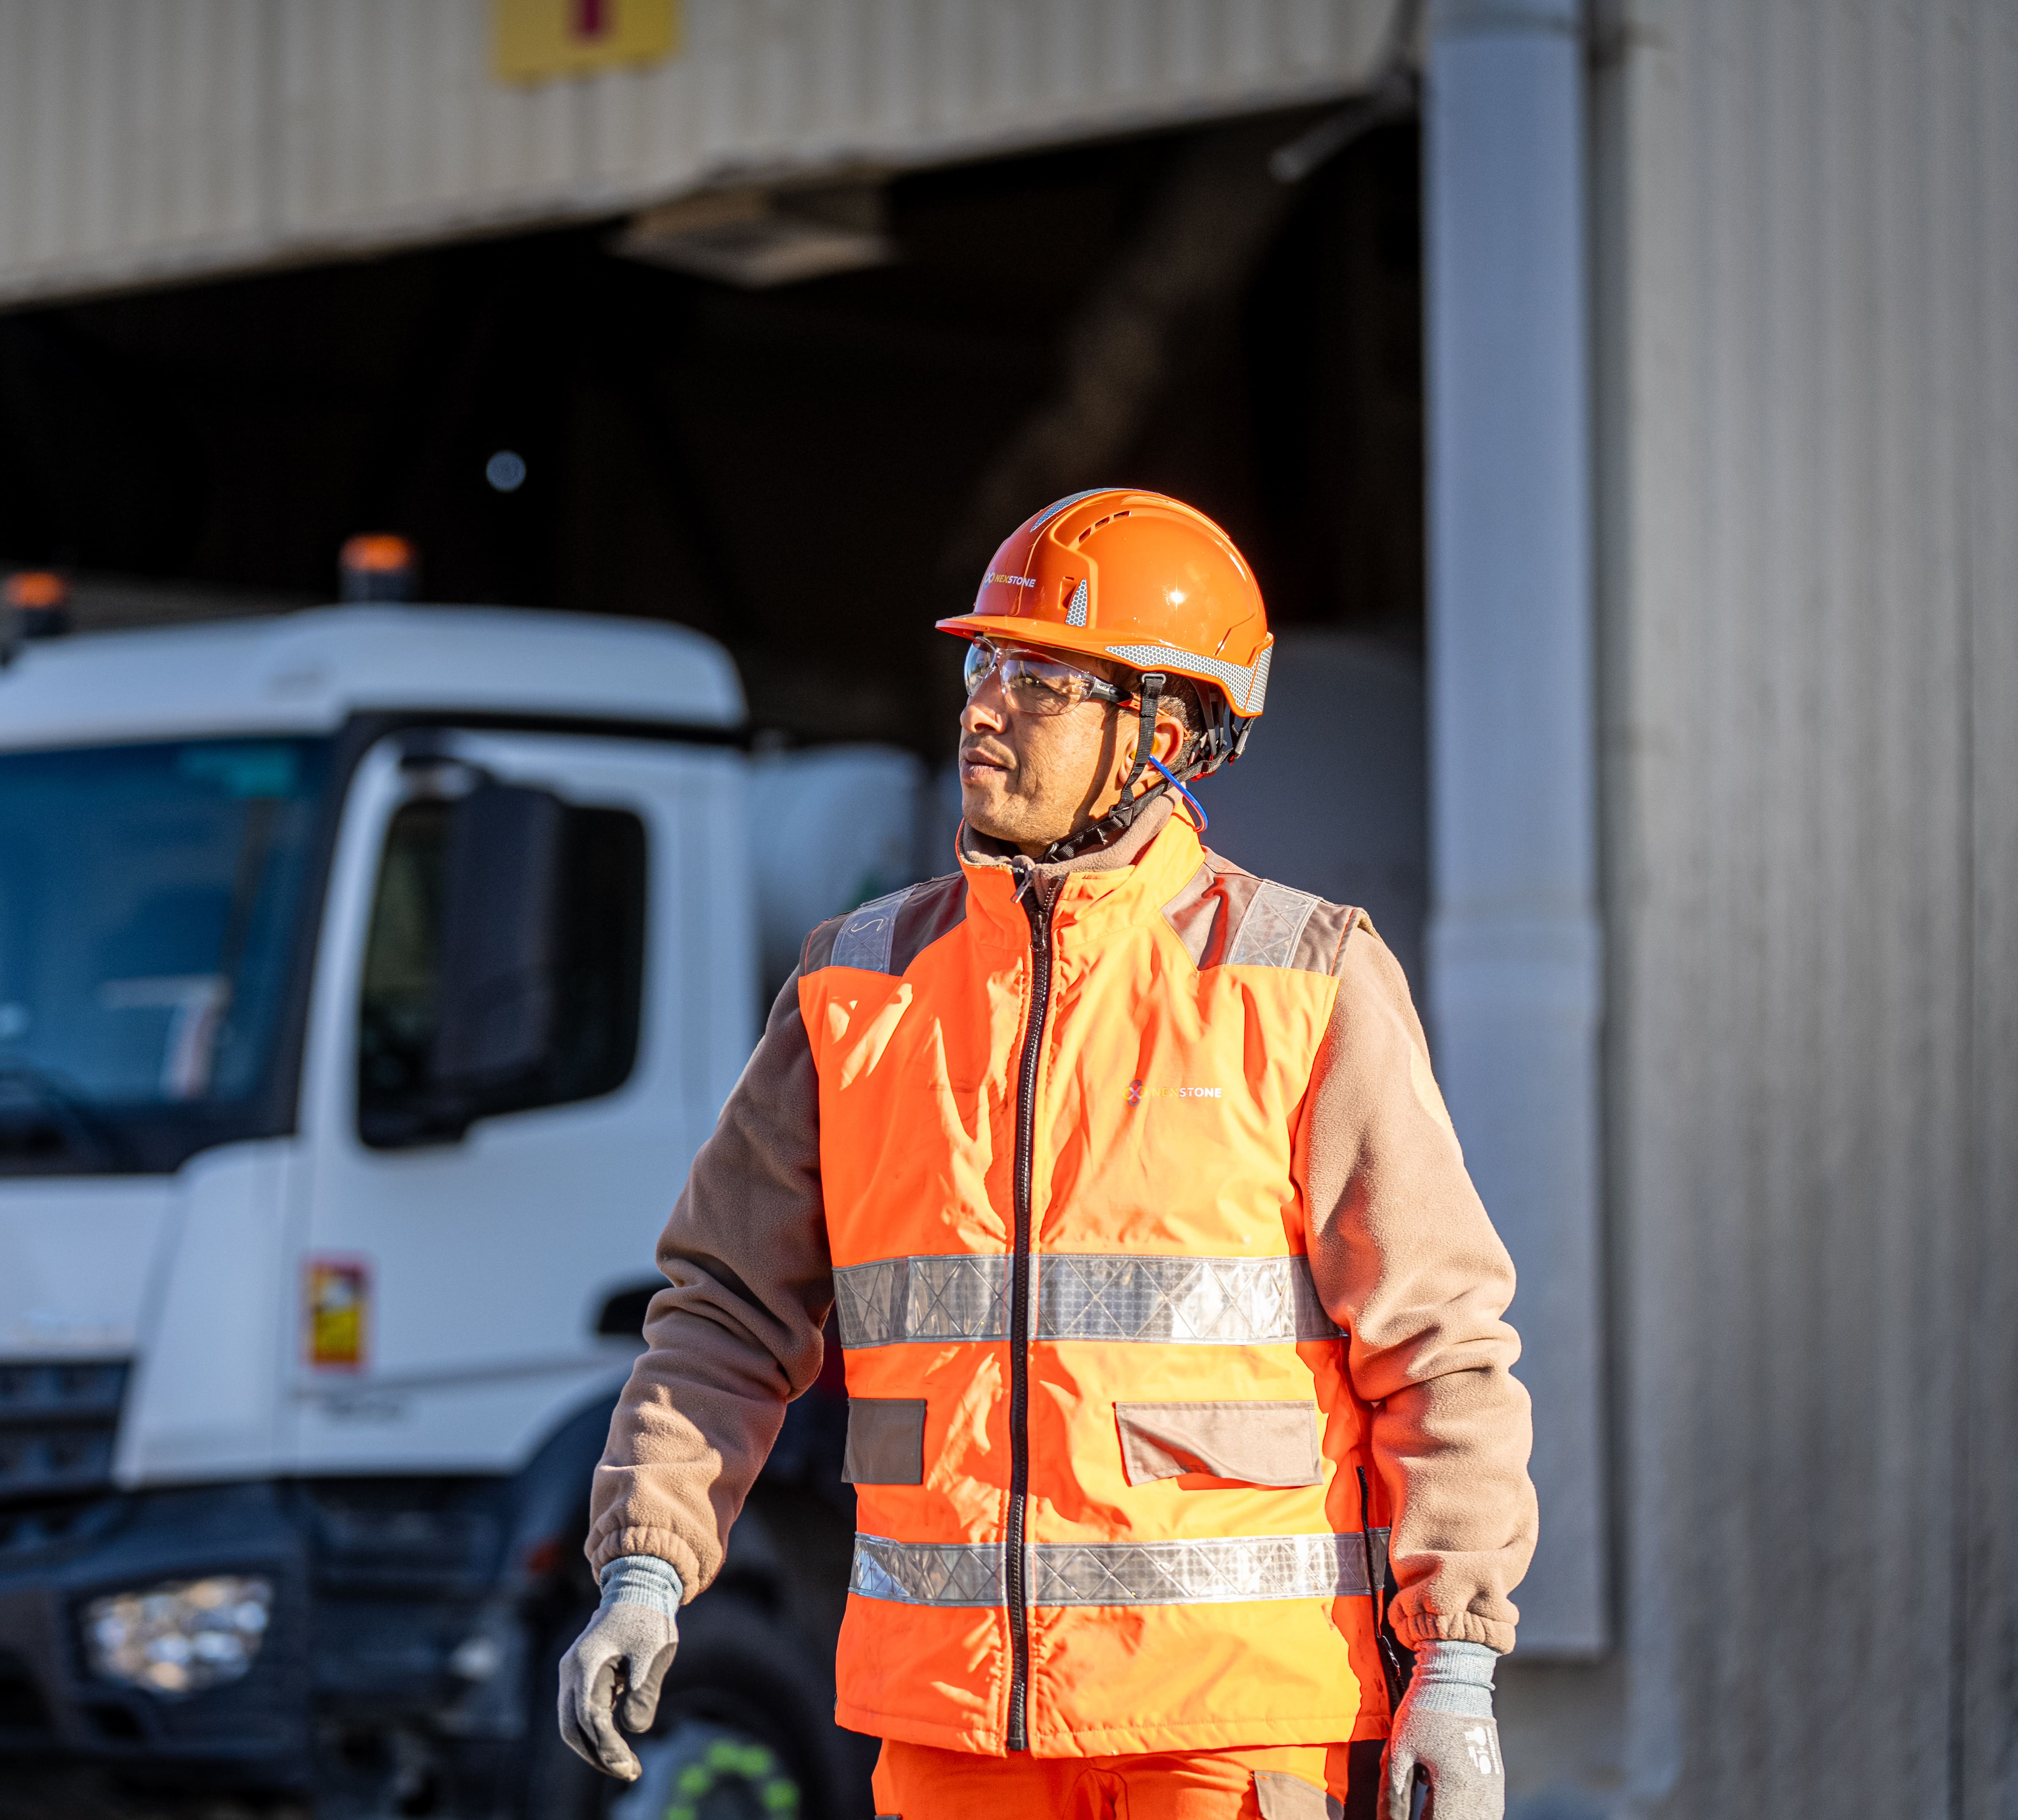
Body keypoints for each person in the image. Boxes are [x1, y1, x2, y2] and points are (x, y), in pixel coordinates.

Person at [557, 490, 1536, 1820]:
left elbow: (1439, 1346)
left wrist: (1459, 1664)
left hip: (1231, 1729)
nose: (984, 708)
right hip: (949, 1726)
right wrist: (646, 1569)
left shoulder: (1301, 978)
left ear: (1166, 731)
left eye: (1042, 680)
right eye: (984, 666)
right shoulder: (855, 990)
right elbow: (726, 1314)